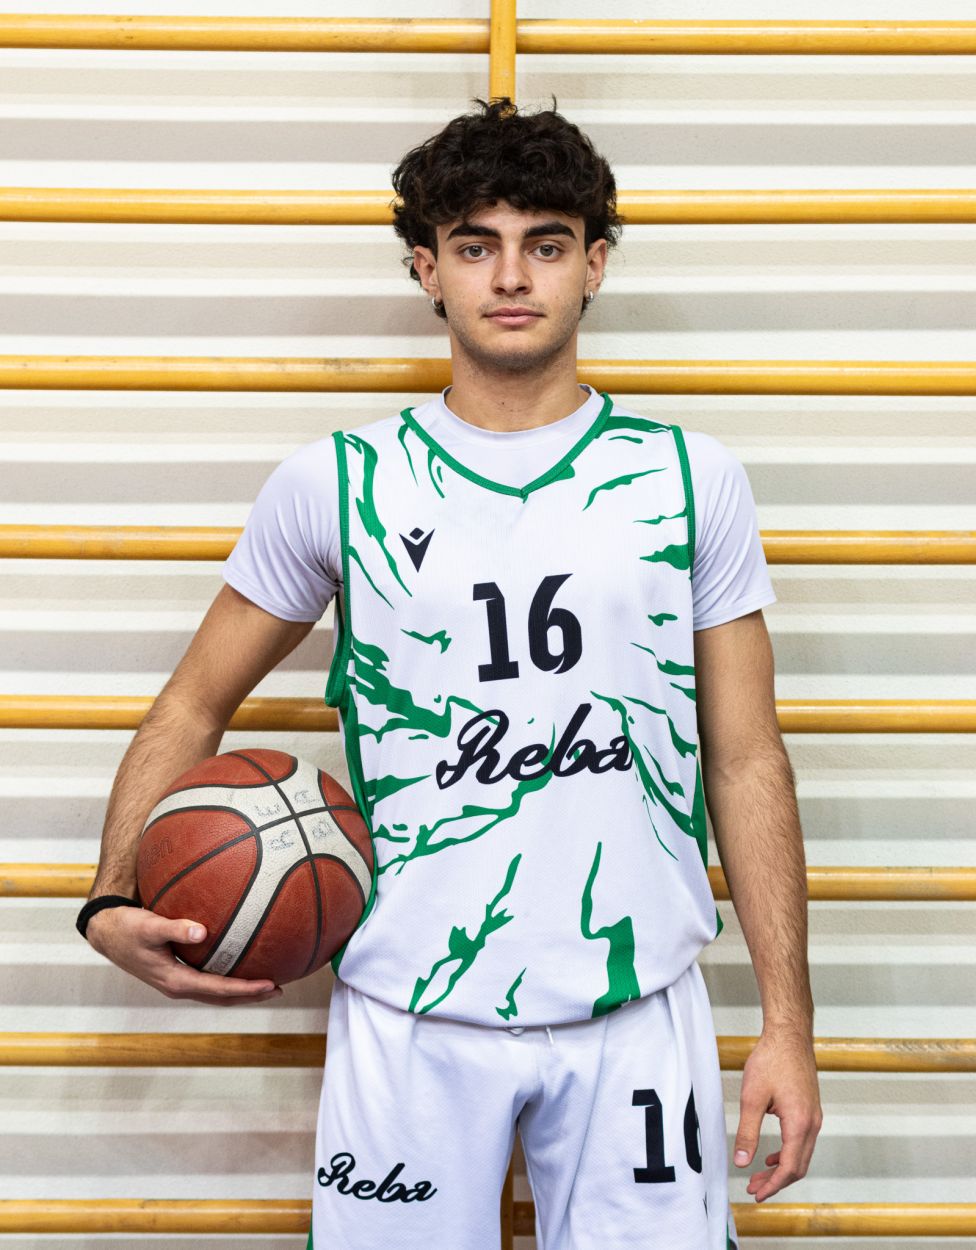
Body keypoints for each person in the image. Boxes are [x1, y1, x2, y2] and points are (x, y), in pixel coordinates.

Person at [79, 97, 821, 1249]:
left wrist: (787, 1023)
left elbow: (745, 755)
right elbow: (191, 703)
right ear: (426, 268)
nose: (511, 275)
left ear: (595, 263)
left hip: (635, 1005)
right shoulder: (336, 482)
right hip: (409, 1007)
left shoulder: (689, 477)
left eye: (546, 243)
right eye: (475, 245)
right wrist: (112, 893)